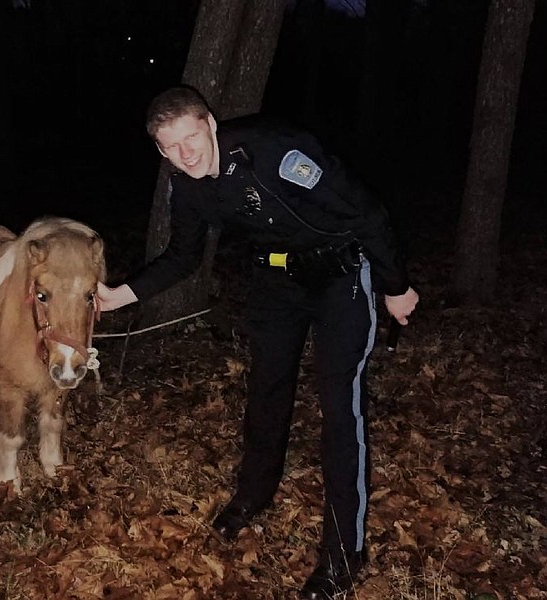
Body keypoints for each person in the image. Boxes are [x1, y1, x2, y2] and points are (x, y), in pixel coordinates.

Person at [96, 85, 419, 599]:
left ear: (211, 125)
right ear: (160, 151)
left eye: (192, 137)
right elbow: (183, 256)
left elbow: (365, 212)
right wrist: (121, 296)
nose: (186, 153)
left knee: (341, 408)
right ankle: (253, 495)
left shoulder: (279, 150)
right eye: (171, 146)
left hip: (340, 278)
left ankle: (344, 551)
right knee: (266, 390)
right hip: (275, 282)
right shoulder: (190, 187)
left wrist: (395, 285)